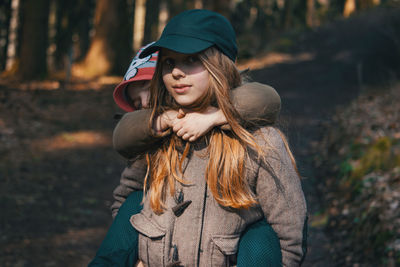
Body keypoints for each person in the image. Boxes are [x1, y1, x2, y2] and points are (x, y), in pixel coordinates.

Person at [91, 9, 307, 267]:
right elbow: (126, 203)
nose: (177, 73)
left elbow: (289, 236)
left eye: (191, 60)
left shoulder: (259, 141)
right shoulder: (156, 134)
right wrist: (135, 257)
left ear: (219, 65)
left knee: (262, 238)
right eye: (169, 63)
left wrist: (216, 117)